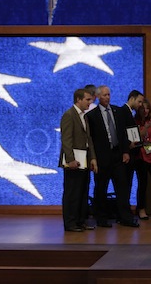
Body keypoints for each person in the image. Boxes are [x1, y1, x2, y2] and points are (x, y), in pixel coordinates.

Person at [84, 85, 139, 227]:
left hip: (118, 155)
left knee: (122, 187)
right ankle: (101, 218)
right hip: (102, 158)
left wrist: (126, 151)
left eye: (109, 94)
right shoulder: (92, 115)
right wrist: (93, 159)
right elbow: (91, 140)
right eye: (104, 95)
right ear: (98, 97)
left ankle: (126, 217)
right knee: (101, 189)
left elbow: (122, 134)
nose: (107, 97)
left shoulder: (118, 111)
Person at [59, 88, 96, 232]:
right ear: (78, 100)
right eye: (87, 99)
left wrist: (92, 157)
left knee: (82, 191)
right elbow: (66, 140)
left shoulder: (84, 116)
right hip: (74, 161)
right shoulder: (69, 115)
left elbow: (89, 139)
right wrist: (71, 159)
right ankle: (70, 223)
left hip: (85, 159)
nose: (90, 102)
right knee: (72, 192)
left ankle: (80, 221)